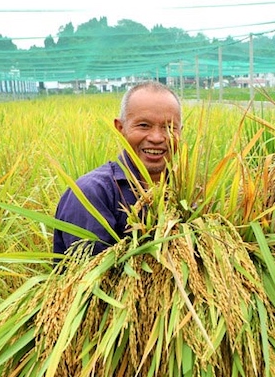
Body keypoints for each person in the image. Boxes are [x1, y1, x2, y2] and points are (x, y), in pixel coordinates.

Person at [53, 81, 182, 256]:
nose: (157, 138)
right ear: (120, 128)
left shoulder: (185, 192)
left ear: (180, 132)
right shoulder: (91, 194)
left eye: (169, 127)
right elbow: (89, 276)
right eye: (144, 125)